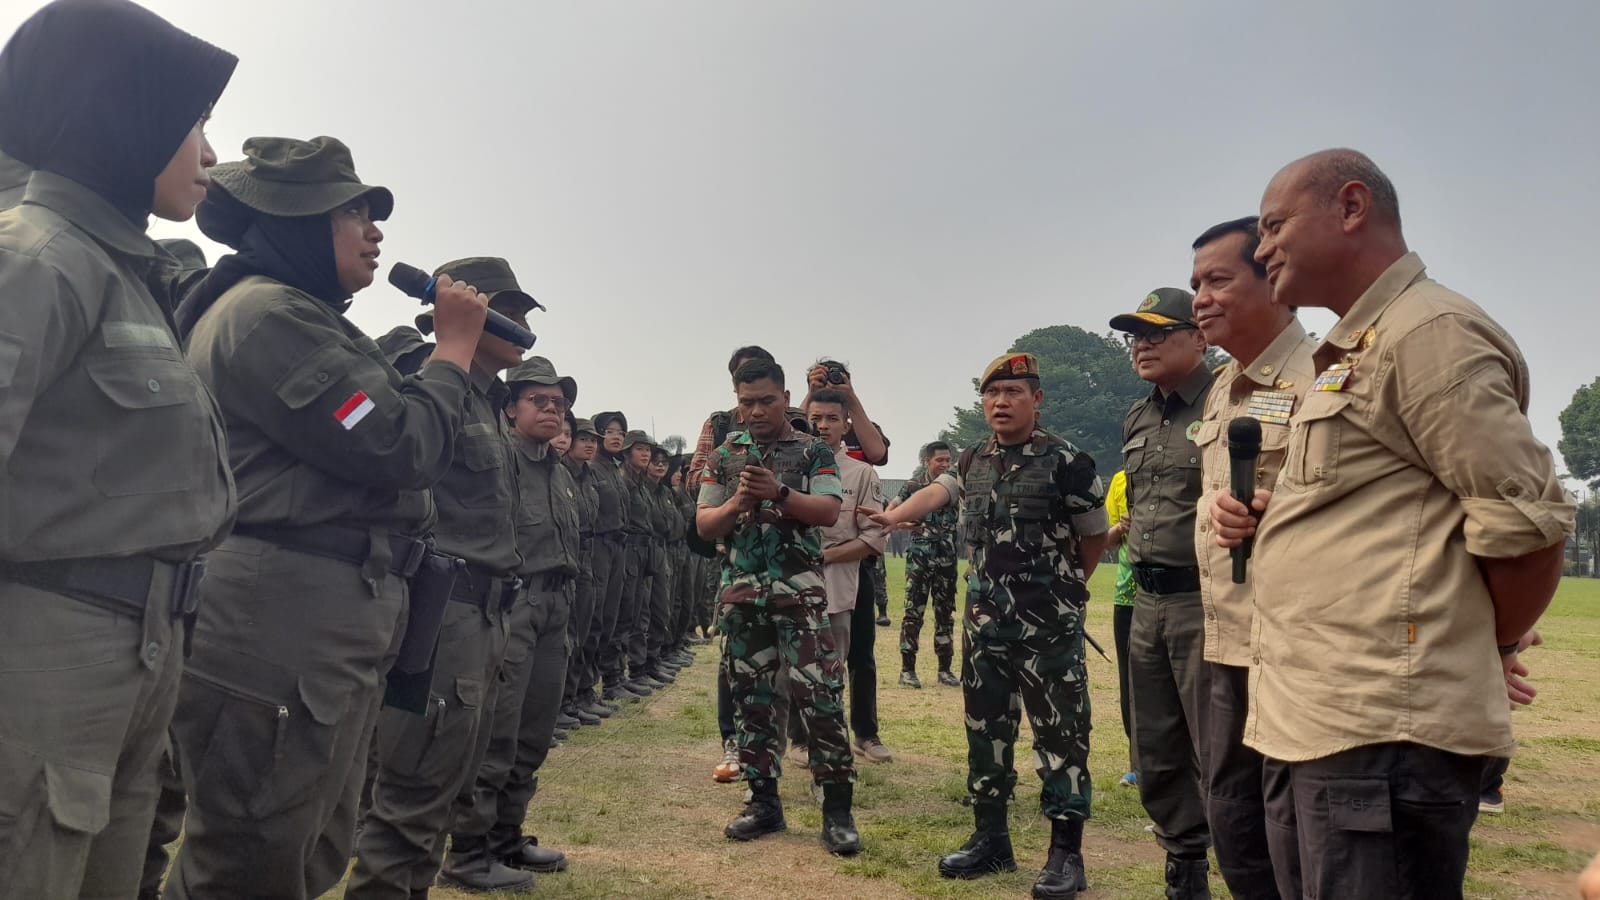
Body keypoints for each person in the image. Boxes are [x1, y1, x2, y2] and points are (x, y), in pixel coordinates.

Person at [1209, 149, 1575, 899]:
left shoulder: (1428, 334)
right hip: (1313, 716)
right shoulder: (1349, 351)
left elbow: (1527, 527)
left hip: (1381, 730)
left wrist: (1488, 642)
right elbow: (1375, 504)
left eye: (1276, 225)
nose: (1265, 245)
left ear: (1350, 208)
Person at [163, 135, 490, 899]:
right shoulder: (269, 317)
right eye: (353, 213)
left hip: (315, 612)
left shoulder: (297, 314)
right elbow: (402, 446)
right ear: (297, 221)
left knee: (304, 848)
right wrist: (451, 353)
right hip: (279, 617)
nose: (375, 231)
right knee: (249, 860)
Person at [0, 3, 237, 896]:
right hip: (48, 656)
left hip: (141, 653)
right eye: (196, 122)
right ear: (120, 114)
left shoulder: (117, 276)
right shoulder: (36, 260)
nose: (211, 154)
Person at [876, 352, 1108, 900]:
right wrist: (894, 514)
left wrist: (1066, 590)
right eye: (991, 394)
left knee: (1061, 737)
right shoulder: (973, 458)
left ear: (1036, 399)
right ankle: (991, 838)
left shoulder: (1067, 461)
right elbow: (942, 494)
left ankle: (1065, 855)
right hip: (985, 627)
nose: (1000, 402)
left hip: (1047, 629)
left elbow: (1093, 535)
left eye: (1013, 392)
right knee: (986, 732)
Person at [348, 256, 533, 899]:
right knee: (408, 799)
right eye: (508, 310)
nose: (523, 326)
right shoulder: (426, 382)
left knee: (441, 793)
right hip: (440, 612)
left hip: (484, 616)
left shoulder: (489, 401)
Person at [1188, 214, 1317, 900]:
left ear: (1275, 280)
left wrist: (1282, 512)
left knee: (1296, 837)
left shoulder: (1326, 382)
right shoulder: (1223, 387)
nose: (1200, 299)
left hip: (1293, 649)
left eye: (1218, 280)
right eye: (1195, 285)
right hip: (1227, 643)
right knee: (1234, 826)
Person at [696, 358, 860, 855]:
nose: (757, 410)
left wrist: (781, 493)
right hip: (743, 597)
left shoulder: (814, 451)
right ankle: (763, 802)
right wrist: (735, 506)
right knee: (753, 700)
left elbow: (830, 510)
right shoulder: (725, 455)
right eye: (746, 402)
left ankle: (837, 811)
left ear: (786, 398)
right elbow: (705, 524)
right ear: (736, 401)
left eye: (767, 400)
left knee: (821, 697)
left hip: (799, 596)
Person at [441, 356, 579, 890]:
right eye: (538, 401)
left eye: (558, 404)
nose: (551, 410)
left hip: (555, 608)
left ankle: (506, 837)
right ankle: (468, 851)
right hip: (513, 604)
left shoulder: (559, 472)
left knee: (533, 732)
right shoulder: (501, 461)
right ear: (511, 408)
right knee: (496, 733)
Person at [1110, 287, 1216, 898]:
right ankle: (1185, 862)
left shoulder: (1232, 402)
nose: (1142, 345)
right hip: (1144, 601)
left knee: (1219, 742)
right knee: (1153, 740)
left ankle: (1251, 860)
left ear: (1199, 338)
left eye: (1157, 332)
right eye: (1134, 337)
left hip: (1205, 600)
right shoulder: (1139, 415)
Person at [784, 390, 887, 758]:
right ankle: (799, 739)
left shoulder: (861, 474)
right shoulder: (786, 468)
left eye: (831, 419)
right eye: (815, 419)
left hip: (840, 586)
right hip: (790, 586)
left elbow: (873, 539)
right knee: (791, 664)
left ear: (847, 426)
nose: (822, 426)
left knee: (835, 665)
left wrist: (825, 556)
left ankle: (840, 736)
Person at [892, 442, 959, 688]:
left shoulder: (954, 487)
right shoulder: (913, 487)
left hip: (947, 560)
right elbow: (891, 512)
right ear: (927, 461)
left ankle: (945, 670)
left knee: (945, 614)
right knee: (913, 614)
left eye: (948, 460)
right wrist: (904, 525)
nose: (945, 464)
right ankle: (907, 670)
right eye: (940, 460)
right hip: (919, 560)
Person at [593, 412, 645, 703]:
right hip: (598, 547)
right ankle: (582, 691)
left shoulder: (613, 470)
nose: (616, 437)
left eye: (620, 433)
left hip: (618, 548)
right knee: (596, 620)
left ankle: (613, 680)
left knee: (618, 616)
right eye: (609, 431)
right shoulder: (593, 469)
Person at [560, 417, 608, 727]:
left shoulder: (588, 476)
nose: (589, 444)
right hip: (569, 554)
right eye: (583, 438)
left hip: (590, 553)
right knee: (567, 632)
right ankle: (562, 701)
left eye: (593, 439)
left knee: (588, 626)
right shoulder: (561, 472)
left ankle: (578, 693)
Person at [1101, 468, 1138, 788]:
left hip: (1176, 594)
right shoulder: (1119, 481)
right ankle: (1137, 762)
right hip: (1127, 597)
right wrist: (1119, 527)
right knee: (1130, 685)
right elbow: (1107, 542)